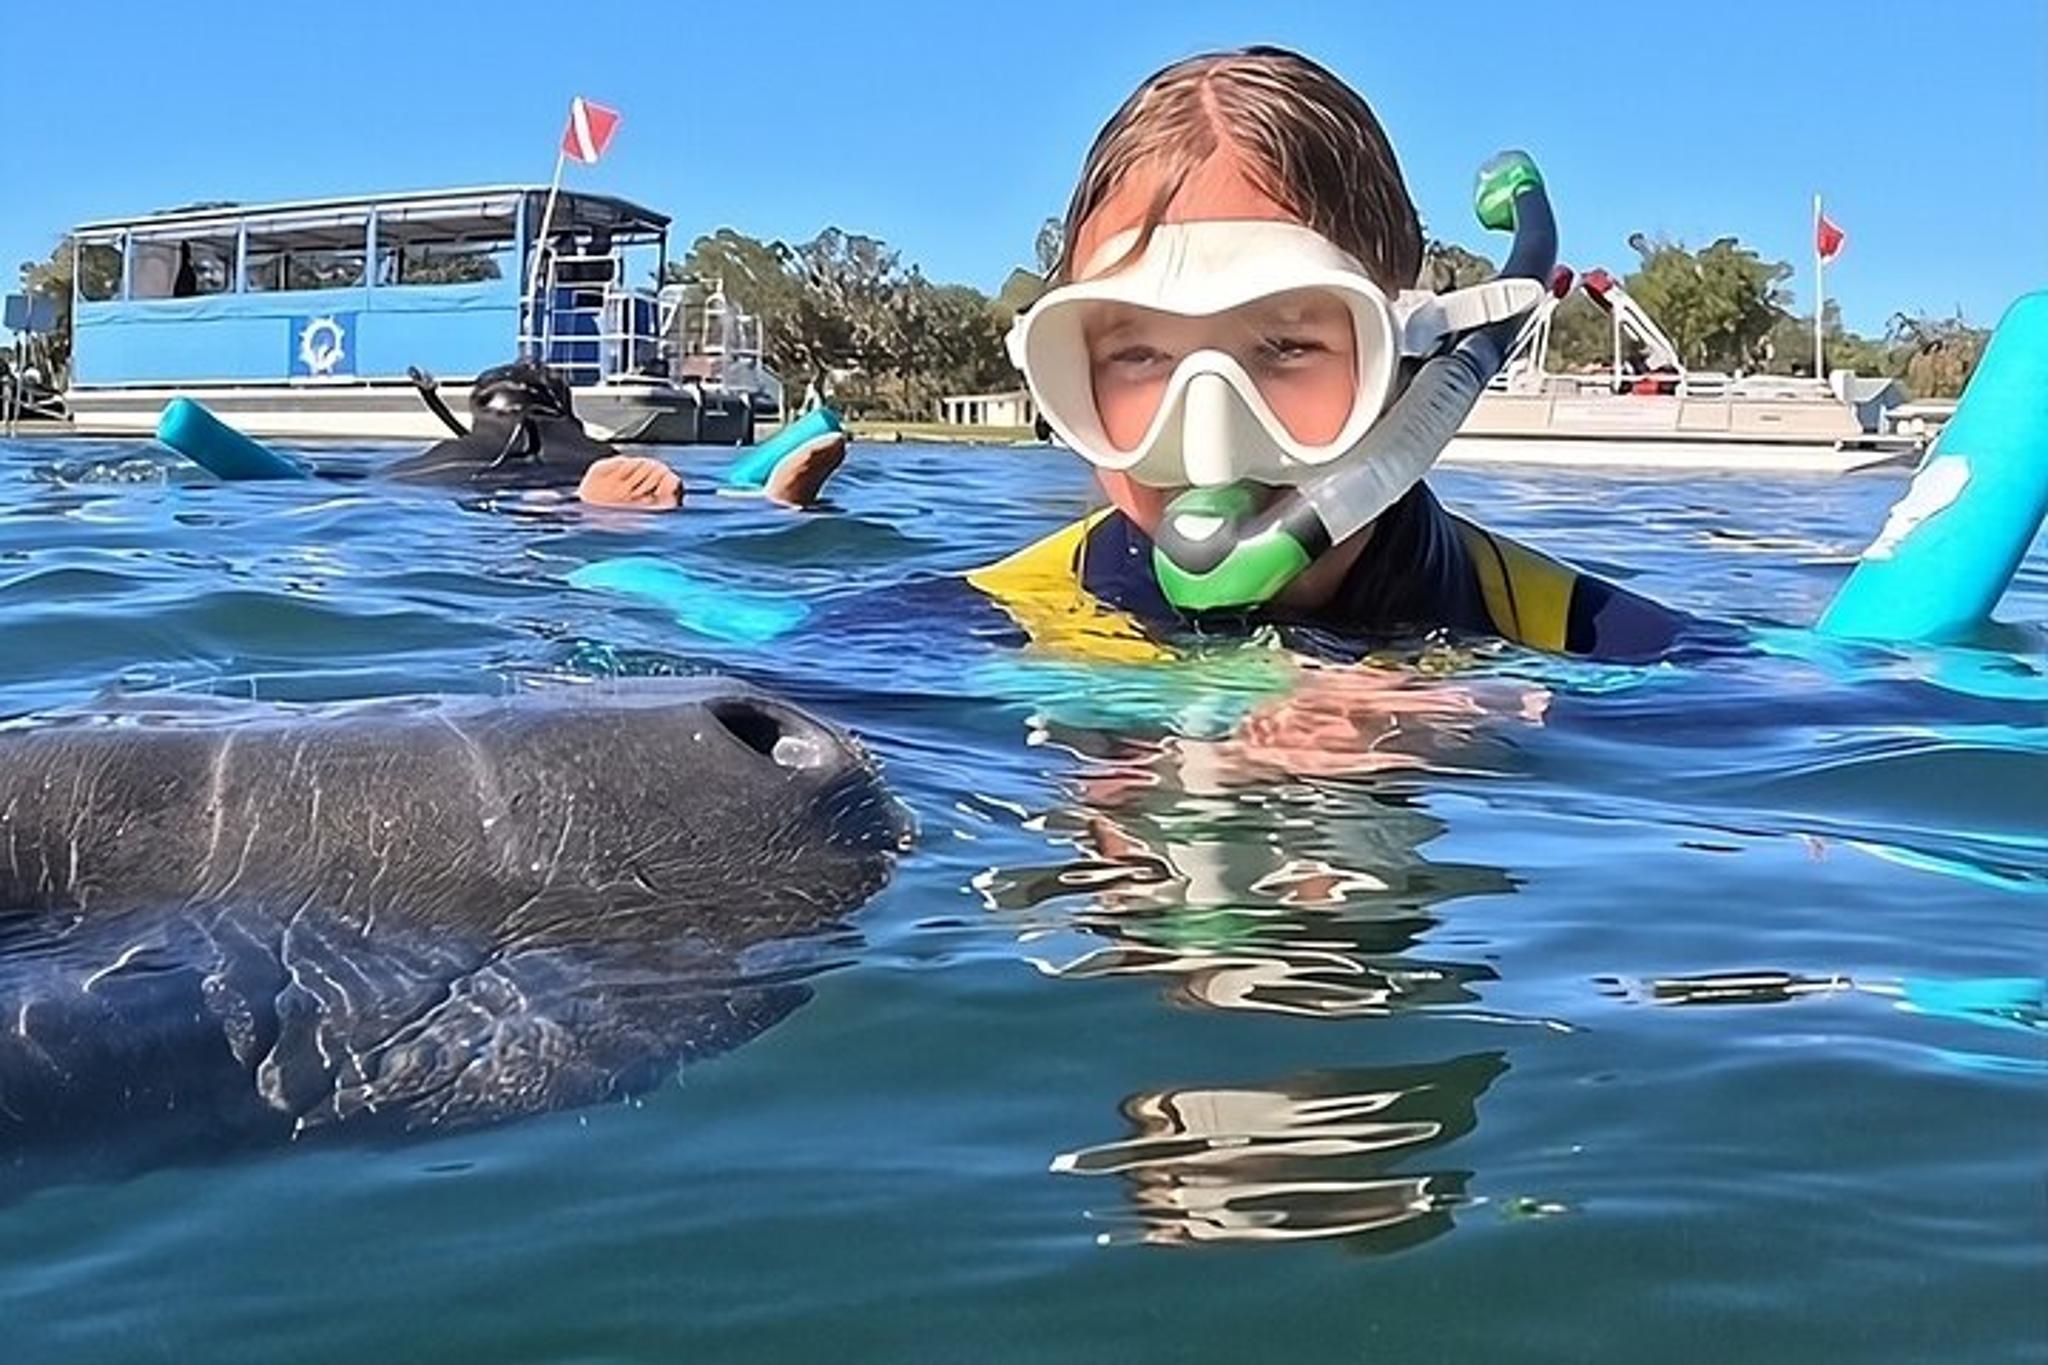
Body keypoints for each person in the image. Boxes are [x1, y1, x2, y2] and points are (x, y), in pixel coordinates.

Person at [976, 47, 1686, 663]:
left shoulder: (1563, 633)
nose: (1211, 447)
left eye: (1287, 346)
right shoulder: (988, 627)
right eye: (1139, 356)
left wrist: (1495, 729)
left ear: (1410, 364)